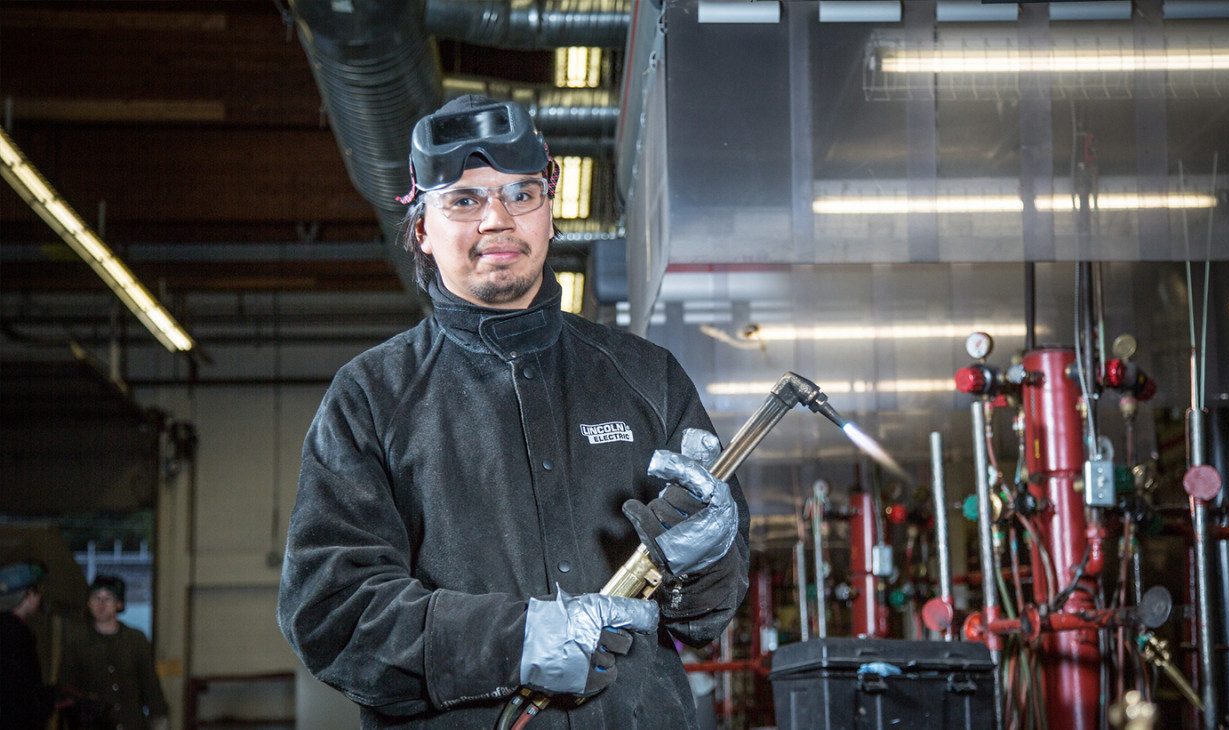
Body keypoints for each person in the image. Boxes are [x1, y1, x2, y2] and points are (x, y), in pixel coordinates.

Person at [277, 95, 750, 729]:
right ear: (421, 228)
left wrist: (709, 559)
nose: (497, 220)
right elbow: (330, 610)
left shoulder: (646, 377)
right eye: (465, 201)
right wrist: (513, 642)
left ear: (549, 211)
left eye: (520, 193)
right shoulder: (370, 398)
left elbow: (705, 615)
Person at [58, 575, 169, 730]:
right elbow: (66, 688)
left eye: (108, 598)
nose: (101, 604)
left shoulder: (136, 640)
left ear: (119, 603)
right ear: (89, 603)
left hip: (131, 724)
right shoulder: (77, 643)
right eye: (96, 598)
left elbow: (150, 685)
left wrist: (159, 720)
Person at [0, 561, 58, 730]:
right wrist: (50, 698)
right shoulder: (17, 635)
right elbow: (23, 696)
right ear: (30, 595)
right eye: (38, 592)